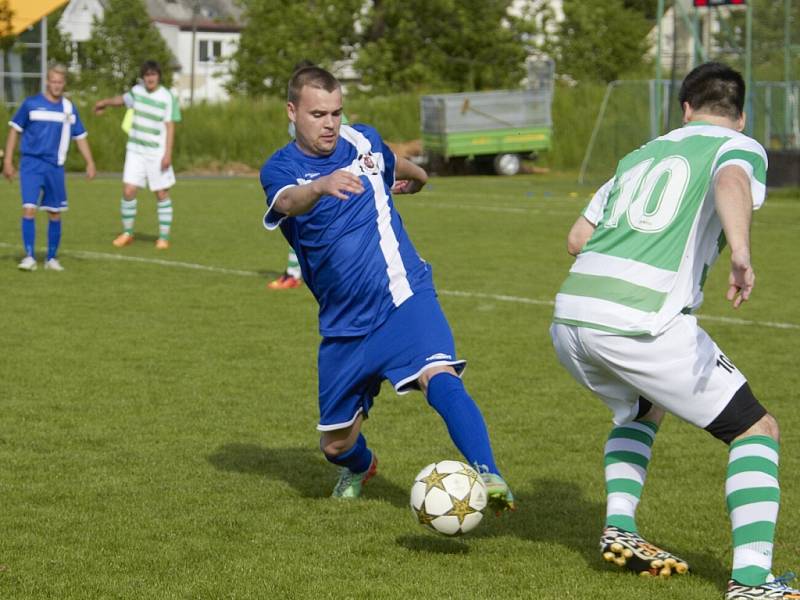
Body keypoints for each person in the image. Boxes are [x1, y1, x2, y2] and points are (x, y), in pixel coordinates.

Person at [550, 62, 798, 599]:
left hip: (570, 316)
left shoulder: (641, 154)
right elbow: (731, 180)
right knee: (757, 431)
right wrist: (741, 250)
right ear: (741, 116)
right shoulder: (739, 145)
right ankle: (752, 582)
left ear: (683, 109)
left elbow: (576, 238)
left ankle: (621, 526)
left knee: (644, 407)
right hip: (641, 321)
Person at [259, 66, 514, 512]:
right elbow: (286, 201)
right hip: (344, 327)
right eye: (318, 114)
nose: (330, 123)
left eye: (337, 112)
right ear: (292, 111)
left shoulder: (363, 141)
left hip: (403, 296)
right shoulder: (281, 168)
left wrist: (419, 179)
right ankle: (361, 466)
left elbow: (399, 165)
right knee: (336, 445)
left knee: (440, 375)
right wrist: (320, 185)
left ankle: (487, 472)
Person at [3, 63, 96, 271]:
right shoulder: (31, 105)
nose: (56, 85)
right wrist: (8, 161)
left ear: (64, 84)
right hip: (31, 164)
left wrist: (89, 162)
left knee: (55, 212)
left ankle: (51, 259)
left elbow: (80, 136)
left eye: (60, 82)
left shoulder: (69, 108)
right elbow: (14, 130)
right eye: (53, 81)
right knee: (29, 208)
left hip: (55, 167)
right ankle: (29, 257)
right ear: (47, 81)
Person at [93, 60, 181, 250]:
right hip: (135, 151)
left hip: (156, 153)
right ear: (143, 77)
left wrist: (167, 154)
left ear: (158, 76)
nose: (150, 78)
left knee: (161, 193)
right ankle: (127, 234)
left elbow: (170, 126)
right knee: (128, 191)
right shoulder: (137, 91)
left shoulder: (167, 97)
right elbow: (121, 101)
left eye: (153, 74)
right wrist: (104, 103)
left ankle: (164, 237)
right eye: (147, 75)